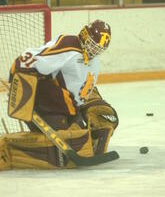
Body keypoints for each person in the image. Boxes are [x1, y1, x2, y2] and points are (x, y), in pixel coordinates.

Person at [0, 20, 119, 170]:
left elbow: (83, 89)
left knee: (80, 137)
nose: (93, 52)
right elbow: (36, 56)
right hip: (48, 103)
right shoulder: (70, 45)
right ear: (84, 35)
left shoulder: (94, 62)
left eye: (98, 49)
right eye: (92, 45)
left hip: (68, 107)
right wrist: (18, 68)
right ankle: (10, 150)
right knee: (62, 146)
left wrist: (90, 104)